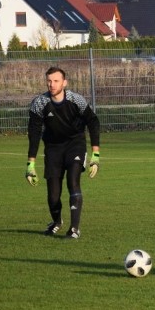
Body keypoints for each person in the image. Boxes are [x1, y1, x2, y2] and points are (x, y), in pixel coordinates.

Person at [26, 66, 100, 239]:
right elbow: (34, 134)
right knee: (53, 196)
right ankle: (57, 222)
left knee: (73, 181)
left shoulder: (77, 100)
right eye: (49, 81)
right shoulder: (39, 104)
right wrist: (30, 164)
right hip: (53, 148)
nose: (52, 85)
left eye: (56, 81)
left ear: (64, 83)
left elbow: (93, 122)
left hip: (75, 144)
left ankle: (74, 229)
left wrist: (95, 155)